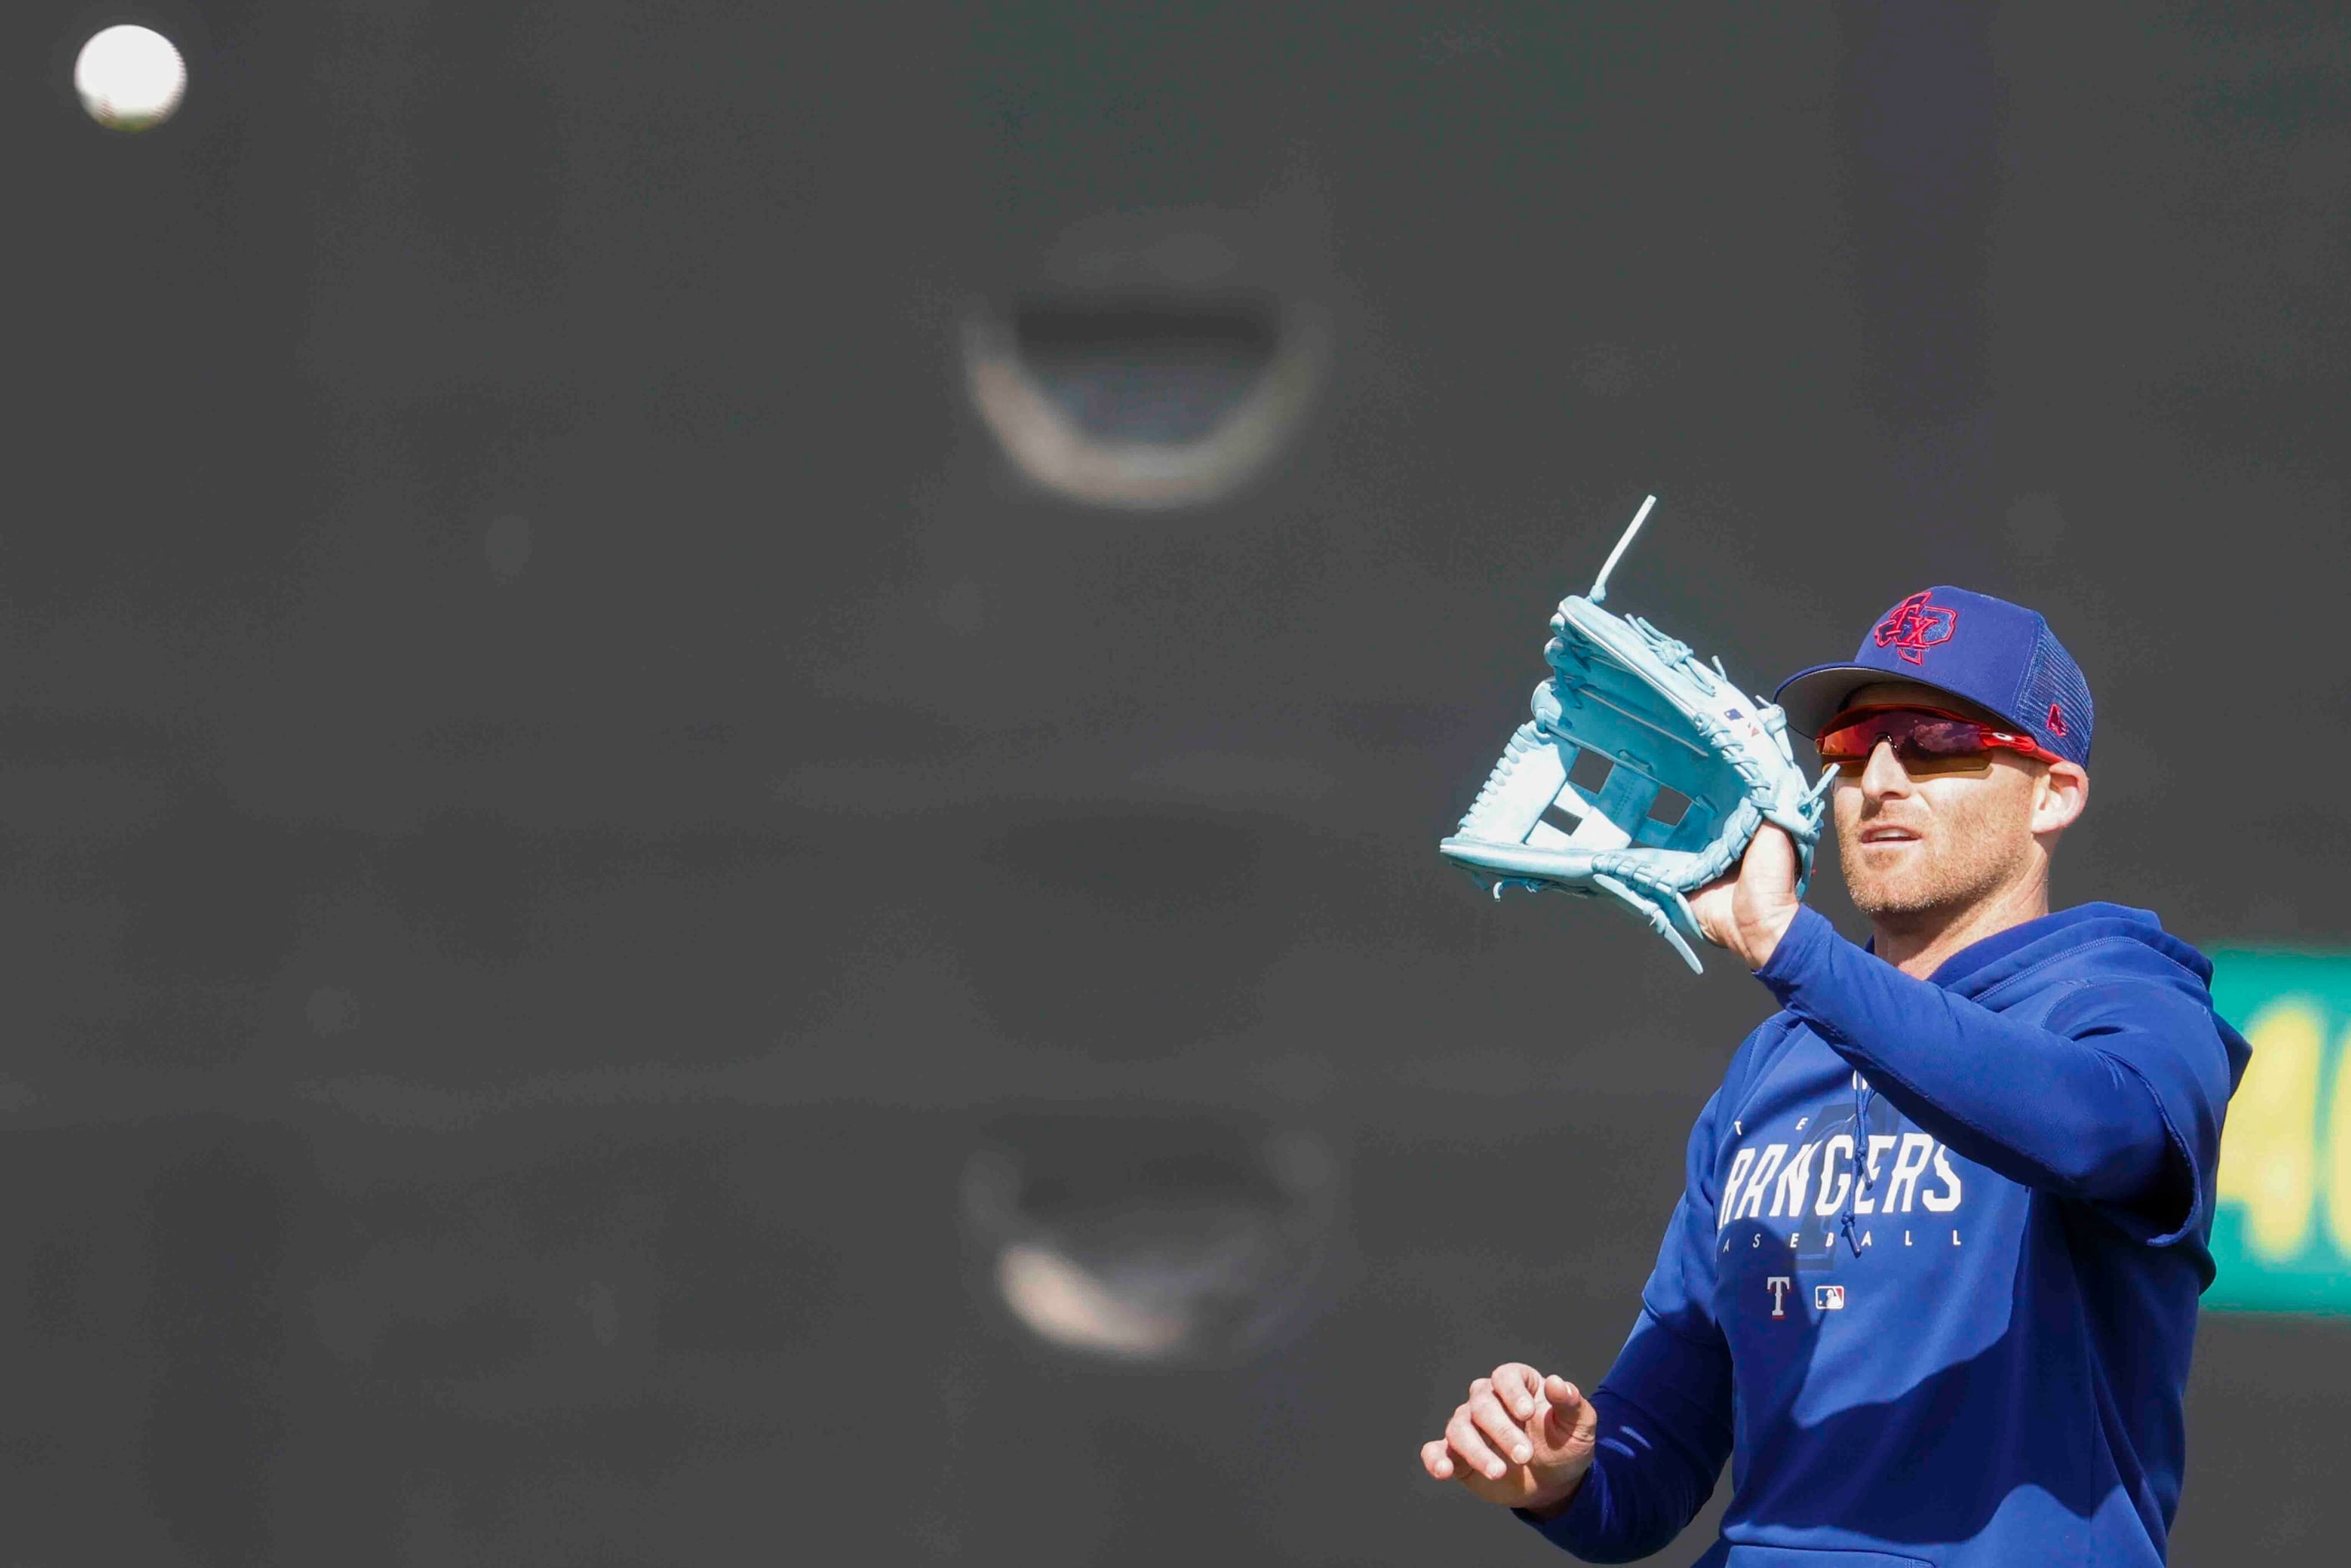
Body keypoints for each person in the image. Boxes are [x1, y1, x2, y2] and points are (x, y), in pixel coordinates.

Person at [1418, 586, 2248, 1566]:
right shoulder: (1774, 1065)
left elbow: (2093, 1128)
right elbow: (1656, 1457)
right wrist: (1563, 1477)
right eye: (1852, 748)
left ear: (2052, 792)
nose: (1880, 779)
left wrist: (1794, 952)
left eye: (1933, 737)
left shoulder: (2122, 998)